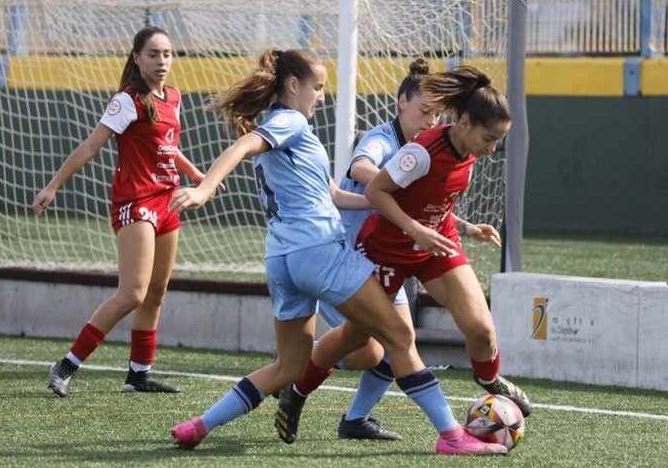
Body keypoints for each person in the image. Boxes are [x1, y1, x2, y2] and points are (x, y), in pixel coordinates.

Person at [168, 48, 507, 456]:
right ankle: (452, 437)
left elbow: (335, 196)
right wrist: (205, 187)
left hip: (281, 260)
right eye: (318, 87)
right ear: (293, 85)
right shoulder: (288, 120)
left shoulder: (295, 134)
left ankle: (197, 426)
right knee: (399, 338)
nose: (321, 96)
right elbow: (242, 147)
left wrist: (397, 204)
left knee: (289, 367)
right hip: (320, 254)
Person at [277, 63, 518, 443]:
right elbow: (370, 182)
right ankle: (298, 389)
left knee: (481, 329)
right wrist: (413, 223)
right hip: (380, 250)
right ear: (466, 123)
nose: (491, 149)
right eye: (489, 139)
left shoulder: (468, 156)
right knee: (362, 346)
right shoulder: (410, 150)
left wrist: (463, 228)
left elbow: (431, 203)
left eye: (496, 141)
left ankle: (490, 381)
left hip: (432, 244)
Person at [32, 26, 204, 397]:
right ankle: (65, 365)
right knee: (132, 294)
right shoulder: (128, 100)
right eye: (154, 54)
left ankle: (138, 375)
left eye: (167, 54)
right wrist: (53, 185)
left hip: (168, 200)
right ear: (137, 58)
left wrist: (194, 173)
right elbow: (91, 145)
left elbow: (167, 145)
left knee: (156, 293)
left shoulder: (173, 96)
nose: (162, 61)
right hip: (136, 202)